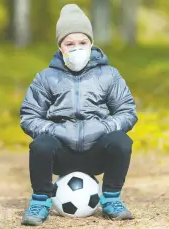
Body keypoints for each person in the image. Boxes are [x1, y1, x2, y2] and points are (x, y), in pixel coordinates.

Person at [19, 3, 139, 226]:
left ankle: (111, 199)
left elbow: (127, 111)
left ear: (91, 43)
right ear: (60, 47)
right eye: (69, 43)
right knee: (41, 145)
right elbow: (29, 116)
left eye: (82, 42)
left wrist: (103, 127)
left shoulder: (109, 75)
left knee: (121, 141)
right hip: (61, 153)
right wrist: (54, 130)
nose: (77, 48)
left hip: (96, 153)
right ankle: (40, 200)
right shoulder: (46, 78)